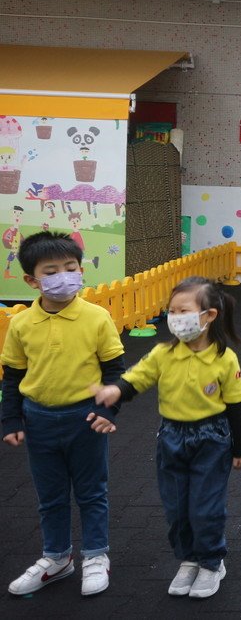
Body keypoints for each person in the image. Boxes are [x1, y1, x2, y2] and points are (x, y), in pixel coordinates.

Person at [91, 276, 241, 598]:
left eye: (183, 311)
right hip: (172, 437)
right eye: (172, 311)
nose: (175, 318)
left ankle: (211, 561)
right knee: (176, 508)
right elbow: (138, 377)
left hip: (211, 438)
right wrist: (115, 390)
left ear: (209, 315)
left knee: (205, 507)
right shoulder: (163, 353)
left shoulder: (224, 358)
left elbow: (236, 405)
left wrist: (240, 448)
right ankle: (189, 558)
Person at [1, 231, 126, 597]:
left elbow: (115, 371)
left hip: (85, 419)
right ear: (31, 280)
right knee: (50, 496)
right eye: (51, 271)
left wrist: (108, 411)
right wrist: (11, 419)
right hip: (38, 420)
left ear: (80, 270)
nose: (64, 277)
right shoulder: (21, 324)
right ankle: (57, 558)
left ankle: (96, 555)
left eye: (71, 268)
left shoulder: (97, 317)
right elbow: (13, 376)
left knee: (92, 492)